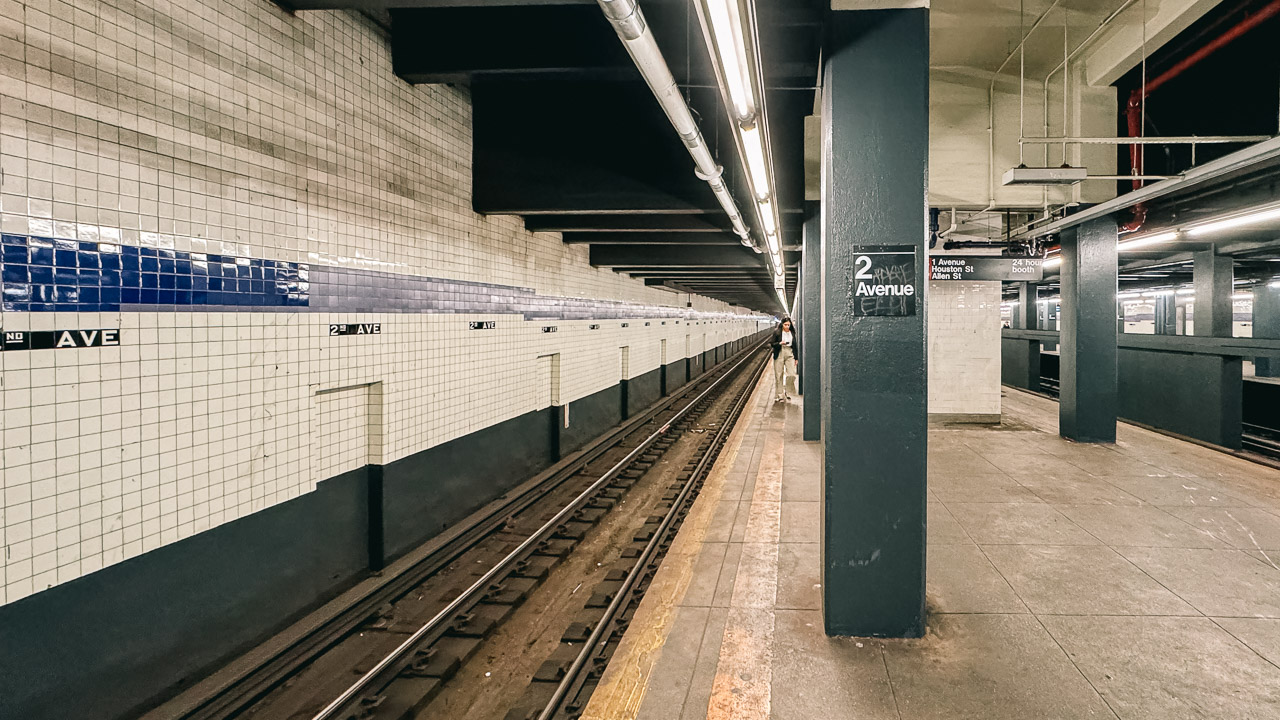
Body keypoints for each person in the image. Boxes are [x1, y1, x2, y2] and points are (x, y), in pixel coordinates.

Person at [771, 317, 798, 402]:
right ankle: (780, 395)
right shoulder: (777, 332)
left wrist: (796, 358)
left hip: (789, 353)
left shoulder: (792, 333)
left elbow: (795, 345)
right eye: (785, 325)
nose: (787, 326)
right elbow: (772, 343)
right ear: (782, 324)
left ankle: (788, 391)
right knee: (779, 375)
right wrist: (779, 343)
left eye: (788, 325)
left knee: (792, 374)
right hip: (780, 352)